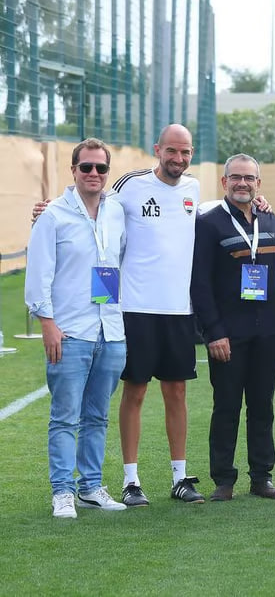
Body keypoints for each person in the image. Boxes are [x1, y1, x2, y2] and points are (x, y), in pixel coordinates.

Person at [26, 138, 128, 517]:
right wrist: (48, 325)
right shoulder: (53, 215)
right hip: (69, 331)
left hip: (110, 330)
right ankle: (62, 491)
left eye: (101, 168)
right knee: (65, 416)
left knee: (97, 416)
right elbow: (39, 275)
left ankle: (91, 486)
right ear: (73, 170)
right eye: (86, 167)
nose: (93, 174)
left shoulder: (117, 210)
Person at [191, 154, 275, 501]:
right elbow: (200, 284)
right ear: (224, 182)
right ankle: (223, 479)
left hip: (269, 330)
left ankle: (261, 477)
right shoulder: (209, 223)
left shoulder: (268, 218)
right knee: (226, 406)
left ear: (258, 184)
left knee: (262, 405)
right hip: (228, 334)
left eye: (249, 179)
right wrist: (213, 332)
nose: (242, 184)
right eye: (235, 178)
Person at [112, 124, 204, 504]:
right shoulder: (129, 185)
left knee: (177, 392)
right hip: (135, 309)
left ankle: (180, 478)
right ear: (157, 149)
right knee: (134, 392)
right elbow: (96, 221)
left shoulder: (194, 189)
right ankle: (131, 481)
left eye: (185, 153)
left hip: (178, 311)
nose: (178, 159)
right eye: (172, 151)